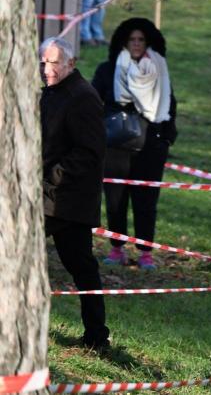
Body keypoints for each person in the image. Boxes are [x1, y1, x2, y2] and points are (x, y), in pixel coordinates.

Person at [40, 37, 110, 350]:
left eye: (54, 62)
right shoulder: (54, 93)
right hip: (53, 198)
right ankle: (97, 335)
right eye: (43, 62)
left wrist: (50, 178)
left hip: (64, 199)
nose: (47, 68)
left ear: (71, 63)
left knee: (81, 266)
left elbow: (89, 152)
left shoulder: (83, 97)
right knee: (82, 265)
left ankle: (97, 336)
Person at [92, 18, 178, 270]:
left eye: (141, 40)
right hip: (116, 146)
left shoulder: (159, 70)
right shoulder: (107, 70)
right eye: (132, 40)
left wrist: (166, 138)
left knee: (146, 202)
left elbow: (170, 104)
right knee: (115, 200)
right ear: (124, 42)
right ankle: (116, 248)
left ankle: (145, 252)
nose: (137, 44)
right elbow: (94, 102)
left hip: (151, 147)